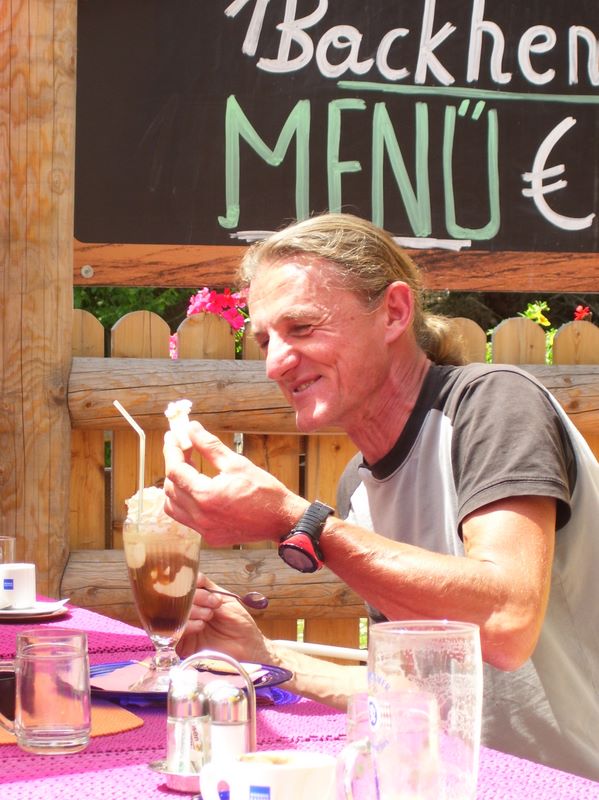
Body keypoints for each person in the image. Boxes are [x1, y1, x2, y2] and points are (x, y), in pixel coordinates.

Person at [163, 212, 599, 780]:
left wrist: (296, 522)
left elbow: (506, 621)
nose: (274, 364)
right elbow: (412, 695)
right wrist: (263, 658)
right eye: (266, 340)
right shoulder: (358, 485)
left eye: (302, 327)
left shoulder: (495, 404)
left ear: (394, 311)